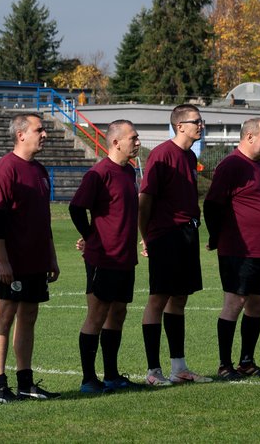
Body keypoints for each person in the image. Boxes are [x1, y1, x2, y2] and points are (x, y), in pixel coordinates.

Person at [0, 113, 60, 403]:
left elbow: (44, 220)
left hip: (36, 259)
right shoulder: (5, 169)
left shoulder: (41, 171)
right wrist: (3, 260)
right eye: (39, 130)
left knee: (29, 317)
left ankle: (26, 383)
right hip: (12, 261)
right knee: (4, 317)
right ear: (21, 135)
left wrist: (52, 257)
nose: (44, 134)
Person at [140, 104, 211, 385]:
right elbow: (145, 199)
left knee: (180, 298)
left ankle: (179, 368)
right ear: (180, 126)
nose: (201, 125)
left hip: (187, 234)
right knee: (159, 297)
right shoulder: (162, 154)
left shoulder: (190, 157)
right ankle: (153, 371)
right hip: (165, 235)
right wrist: (145, 236)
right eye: (196, 121)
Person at [70, 120, 143, 393]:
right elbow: (77, 208)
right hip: (103, 257)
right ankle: (89, 379)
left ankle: (112, 375)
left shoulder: (129, 172)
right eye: (133, 138)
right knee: (97, 314)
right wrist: (90, 237)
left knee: (119, 312)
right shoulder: (98, 174)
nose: (137, 142)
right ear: (116, 142)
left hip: (125, 256)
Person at [204, 118, 260, 379]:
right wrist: (217, 237)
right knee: (235, 302)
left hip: (259, 249)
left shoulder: (256, 165)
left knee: (256, 303)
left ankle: (246, 361)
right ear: (249, 137)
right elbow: (212, 205)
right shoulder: (232, 165)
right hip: (238, 247)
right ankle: (225, 364)